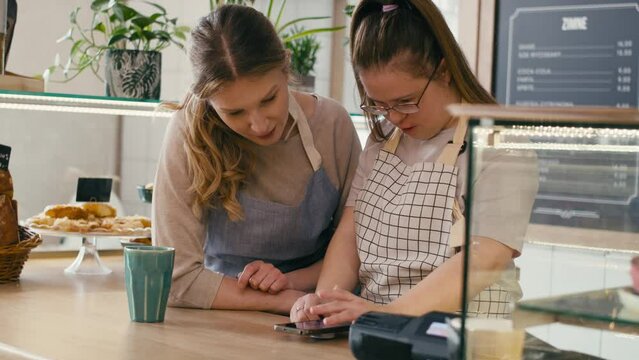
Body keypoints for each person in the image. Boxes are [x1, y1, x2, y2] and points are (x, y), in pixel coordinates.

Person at [290, 0, 538, 324]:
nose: (393, 116)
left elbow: (484, 259)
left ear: (444, 69)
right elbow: (350, 236)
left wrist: (387, 314)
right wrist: (325, 303)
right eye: (379, 105)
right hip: (378, 333)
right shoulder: (382, 143)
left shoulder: (499, 146)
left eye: (406, 102)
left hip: (463, 340)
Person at [153, 5, 361, 314]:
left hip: (315, 307)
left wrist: (289, 283)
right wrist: (281, 300)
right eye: (234, 112)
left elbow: (360, 247)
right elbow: (175, 275)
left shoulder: (332, 125)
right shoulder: (188, 132)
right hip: (217, 316)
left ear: (285, 68)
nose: (260, 124)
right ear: (208, 102)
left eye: (269, 99)